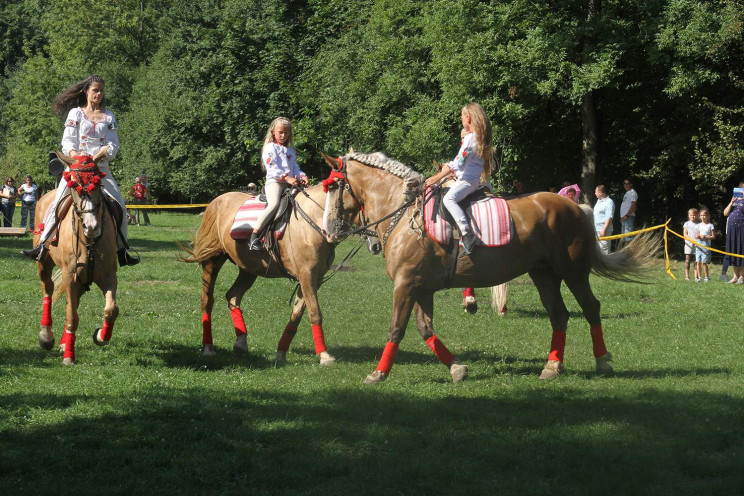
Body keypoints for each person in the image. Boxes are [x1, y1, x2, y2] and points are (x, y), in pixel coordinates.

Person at [21, 74, 139, 266]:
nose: (99, 94)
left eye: (101, 90)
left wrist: (102, 154)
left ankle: (122, 250)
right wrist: (76, 156)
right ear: (86, 91)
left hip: (100, 169)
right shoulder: (76, 114)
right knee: (56, 204)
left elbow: (113, 144)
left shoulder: (109, 116)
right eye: (95, 90)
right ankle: (42, 245)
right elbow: (67, 141)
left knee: (120, 206)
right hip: (75, 169)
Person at [424, 102, 494, 256]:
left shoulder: (471, 139)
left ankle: (467, 234)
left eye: (462, 117)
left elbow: (458, 163)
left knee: (449, 199)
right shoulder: (475, 138)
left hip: (468, 181)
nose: (461, 120)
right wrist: (448, 169)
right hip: (468, 179)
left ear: (468, 118)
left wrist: (436, 178)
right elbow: (461, 163)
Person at [249, 117, 309, 251]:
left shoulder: (291, 151)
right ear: (273, 132)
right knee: (274, 204)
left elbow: (295, 167)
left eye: (286, 133)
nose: (283, 135)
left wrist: (302, 176)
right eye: (280, 132)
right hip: (275, 183)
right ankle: (254, 236)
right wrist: (287, 178)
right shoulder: (270, 148)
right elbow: (272, 167)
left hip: (290, 183)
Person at [723, 183, 744, 284]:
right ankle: (735, 277)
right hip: (732, 228)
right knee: (734, 251)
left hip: (742, 228)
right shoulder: (735, 200)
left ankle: (742, 277)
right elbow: (725, 213)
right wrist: (731, 203)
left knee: (742, 251)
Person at [593, 184, 615, 254]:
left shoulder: (609, 202)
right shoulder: (598, 201)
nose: (595, 193)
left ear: (600, 192)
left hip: (604, 231)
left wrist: (604, 230)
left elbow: (609, 218)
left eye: (596, 191)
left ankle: (606, 265)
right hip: (596, 230)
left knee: (604, 252)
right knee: (598, 251)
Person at [695, 208, 714, 282]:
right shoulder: (698, 225)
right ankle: (699, 277)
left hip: (706, 246)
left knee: (704, 262)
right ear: (699, 216)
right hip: (698, 246)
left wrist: (706, 237)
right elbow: (696, 236)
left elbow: (713, 236)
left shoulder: (710, 225)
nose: (703, 217)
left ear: (707, 216)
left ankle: (706, 277)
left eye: (704, 215)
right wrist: (699, 236)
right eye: (701, 215)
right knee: (698, 262)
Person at [619, 178, 638, 245]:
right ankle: (625, 253)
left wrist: (627, 215)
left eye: (627, 183)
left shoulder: (632, 192)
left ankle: (628, 254)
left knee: (628, 238)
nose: (625, 185)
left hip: (628, 217)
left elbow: (633, 205)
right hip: (625, 218)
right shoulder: (627, 193)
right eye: (624, 183)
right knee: (624, 238)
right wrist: (622, 217)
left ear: (631, 184)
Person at [683, 208, 700, 282]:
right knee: (687, 260)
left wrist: (697, 240)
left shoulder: (699, 224)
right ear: (688, 216)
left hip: (697, 244)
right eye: (691, 215)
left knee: (696, 261)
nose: (692, 216)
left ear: (697, 215)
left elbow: (699, 233)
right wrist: (692, 240)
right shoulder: (686, 223)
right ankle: (687, 277)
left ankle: (696, 277)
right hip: (688, 244)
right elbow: (685, 234)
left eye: (694, 215)